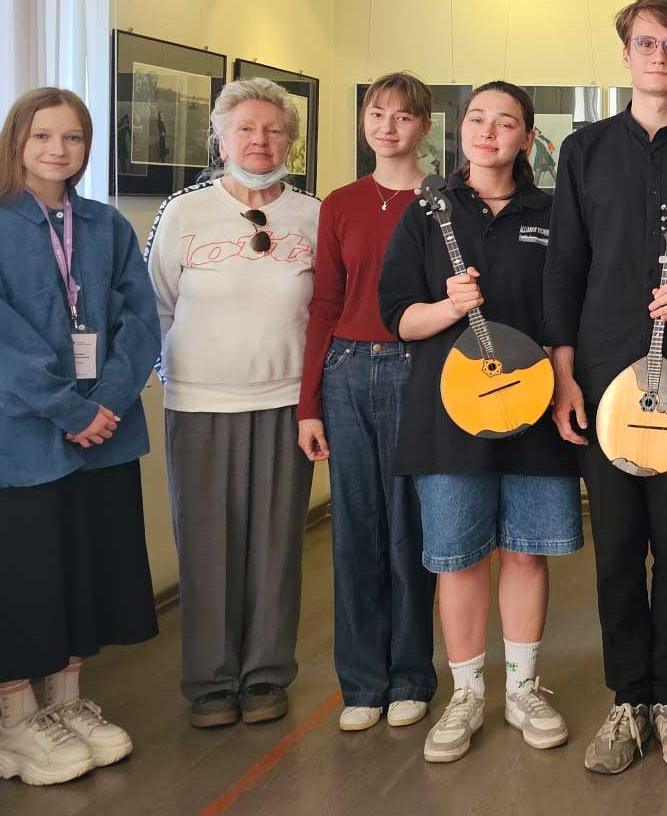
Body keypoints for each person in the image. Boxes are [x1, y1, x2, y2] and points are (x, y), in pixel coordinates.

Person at [546, 0, 667, 775]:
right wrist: (564, 374)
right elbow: (565, 266)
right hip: (601, 378)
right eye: (647, 43)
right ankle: (627, 698)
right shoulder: (583, 151)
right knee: (618, 546)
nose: (659, 55)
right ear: (625, 53)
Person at [0, 89, 160, 785]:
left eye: (72, 137)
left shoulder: (105, 226)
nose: (57, 150)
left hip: (105, 433)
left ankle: (65, 705)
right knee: (20, 578)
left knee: (83, 570)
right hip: (26, 439)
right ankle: (15, 725)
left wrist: (109, 401)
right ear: (17, 141)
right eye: (43, 136)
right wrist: (69, 411)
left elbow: (139, 322)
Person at [381, 82, 579, 765]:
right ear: (460, 129)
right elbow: (397, 316)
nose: (487, 131)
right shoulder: (427, 212)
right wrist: (447, 306)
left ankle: (523, 689)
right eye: (476, 118)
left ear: (528, 138)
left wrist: (564, 385)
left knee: (525, 550)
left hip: (534, 406)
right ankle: (465, 694)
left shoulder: (552, 213)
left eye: (505, 122)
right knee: (459, 558)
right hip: (449, 415)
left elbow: (565, 310)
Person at [147, 78, 320, 729]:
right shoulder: (182, 213)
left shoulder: (314, 215)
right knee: (205, 546)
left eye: (274, 130)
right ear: (219, 139)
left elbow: (324, 312)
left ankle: (267, 675)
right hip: (199, 404)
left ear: (290, 142)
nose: (259, 140)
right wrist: (175, 374)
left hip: (285, 402)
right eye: (245, 128)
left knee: (277, 545)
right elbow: (155, 306)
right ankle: (212, 683)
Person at [296, 73, 438, 734]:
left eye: (402, 116)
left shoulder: (441, 201)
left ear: (424, 126)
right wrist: (309, 405)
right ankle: (361, 682)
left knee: (410, 529)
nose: (388, 127)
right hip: (346, 372)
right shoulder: (340, 204)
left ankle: (411, 676)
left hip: (415, 371)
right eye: (377, 114)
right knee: (354, 532)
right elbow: (324, 304)